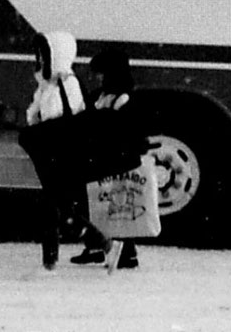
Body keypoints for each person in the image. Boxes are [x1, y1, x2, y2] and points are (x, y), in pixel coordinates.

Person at [71, 47, 149, 269]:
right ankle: (103, 247)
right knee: (108, 205)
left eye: (101, 73)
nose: (98, 77)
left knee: (118, 206)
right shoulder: (107, 96)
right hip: (106, 158)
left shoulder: (123, 99)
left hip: (116, 160)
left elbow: (123, 131)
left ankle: (125, 252)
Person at [17, 30, 87, 269]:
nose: (39, 60)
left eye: (43, 55)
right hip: (54, 154)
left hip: (60, 155)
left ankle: (52, 262)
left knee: (53, 208)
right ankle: (99, 243)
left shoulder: (64, 84)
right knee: (58, 209)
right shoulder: (51, 85)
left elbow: (56, 119)